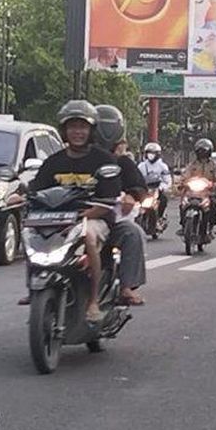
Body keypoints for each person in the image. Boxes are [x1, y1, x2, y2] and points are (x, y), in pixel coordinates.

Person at [28, 100, 121, 322]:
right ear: (64, 131)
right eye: (72, 127)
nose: (77, 132)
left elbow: (110, 199)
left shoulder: (103, 160)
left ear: (91, 131)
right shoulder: (53, 161)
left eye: (82, 127)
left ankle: (93, 302)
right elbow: (37, 189)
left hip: (93, 219)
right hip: (57, 220)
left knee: (87, 236)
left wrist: (84, 215)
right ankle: (33, 290)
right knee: (30, 236)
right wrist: (19, 195)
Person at [93, 105, 149, 307]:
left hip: (107, 220)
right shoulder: (68, 157)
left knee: (133, 232)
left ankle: (127, 287)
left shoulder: (122, 163)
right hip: (71, 219)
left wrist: (131, 196)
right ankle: (40, 283)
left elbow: (139, 188)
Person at [177, 138, 216, 236]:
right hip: (192, 192)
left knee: (213, 205)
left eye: (204, 151)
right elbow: (185, 175)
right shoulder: (192, 165)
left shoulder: (214, 165)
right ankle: (183, 225)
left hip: (208, 192)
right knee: (183, 204)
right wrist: (181, 183)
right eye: (200, 151)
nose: (202, 153)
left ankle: (210, 226)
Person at [138, 142, 172, 218]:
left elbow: (167, 181)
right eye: (149, 153)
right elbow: (137, 178)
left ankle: (160, 218)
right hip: (144, 190)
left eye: (153, 153)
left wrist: (161, 188)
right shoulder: (141, 166)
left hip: (157, 190)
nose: (151, 155)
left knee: (163, 200)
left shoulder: (163, 166)